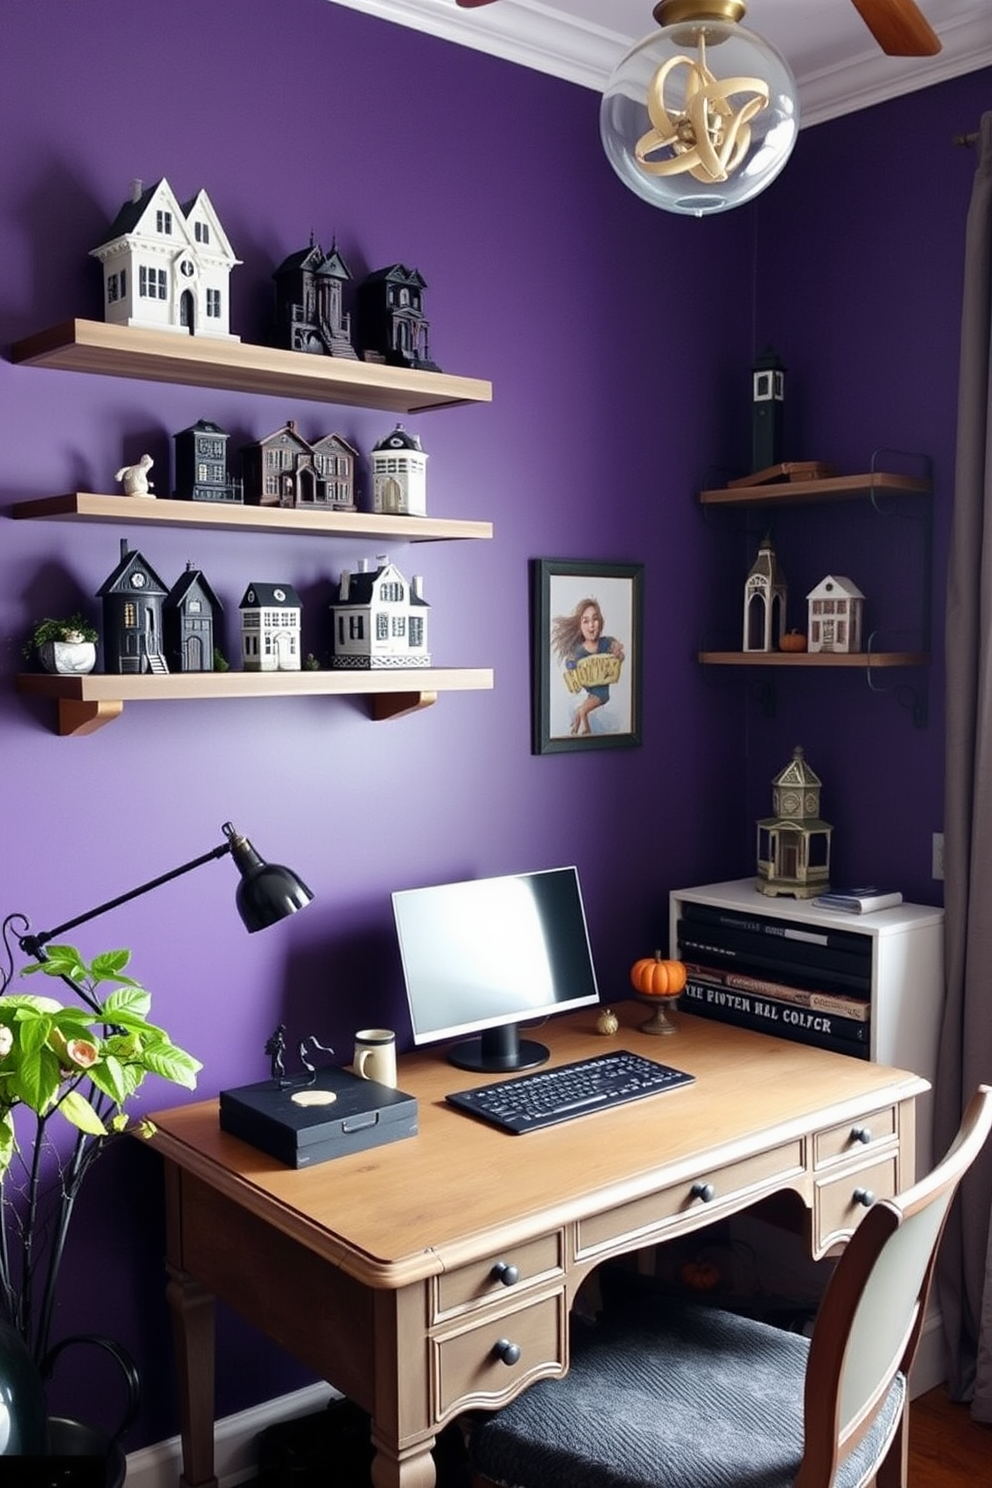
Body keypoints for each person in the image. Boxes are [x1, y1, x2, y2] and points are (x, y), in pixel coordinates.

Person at [551, 597, 625, 735]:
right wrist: (572, 666)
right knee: (580, 709)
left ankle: (586, 729)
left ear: (600, 622)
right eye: (586, 621)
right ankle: (575, 729)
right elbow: (570, 665)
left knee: (583, 710)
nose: (591, 625)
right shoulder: (578, 651)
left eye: (595, 619)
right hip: (591, 693)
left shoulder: (606, 643)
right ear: (579, 625)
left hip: (602, 694)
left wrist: (618, 653)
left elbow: (619, 654)